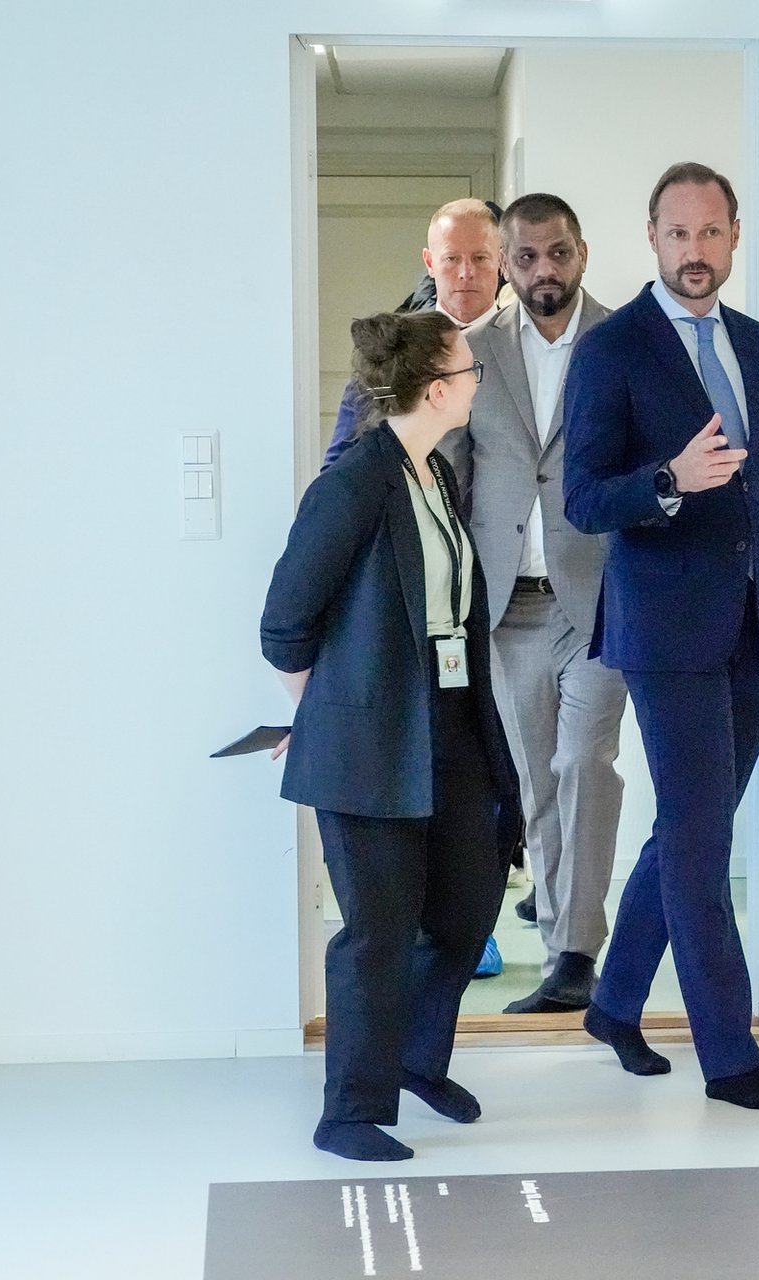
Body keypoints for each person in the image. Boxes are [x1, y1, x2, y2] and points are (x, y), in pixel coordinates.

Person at [562, 162, 759, 1111]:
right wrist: (669, 479)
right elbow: (584, 499)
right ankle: (730, 1056)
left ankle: (614, 1003)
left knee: (688, 827)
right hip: (665, 632)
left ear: (735, 236)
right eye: (678, 234)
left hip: (756, 629)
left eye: (711, 233)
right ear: (652, 238)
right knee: (704, 842)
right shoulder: (612, 350)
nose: (695, 251)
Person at [262, 311, 523, 1161]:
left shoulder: (433, 472)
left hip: (448, 724)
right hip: (368, 744)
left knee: (464, 908)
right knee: (376, 931)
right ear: (437, 390)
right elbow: (283, 625)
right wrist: (325, 710)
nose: (478, 381)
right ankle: (348, 1111)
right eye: (469, 371)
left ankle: (415, 1061)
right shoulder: (352, 484)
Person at [451, 193, 629, 1014]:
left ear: (581, 253)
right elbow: (450, 473)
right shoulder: (471, 350)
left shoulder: (624, 341)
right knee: (538, 782)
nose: (544, 270)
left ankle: (577, 952)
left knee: (584, 763)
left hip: (601, 600)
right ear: (507, 264)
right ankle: (562, 944)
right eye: (526, 257)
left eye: (558, 253)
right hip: (508, 606)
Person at [322, 199, 505, 471]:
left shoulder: (525, 344)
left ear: (501, 260)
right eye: (451, 258)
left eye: (480, 258)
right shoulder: (392, 347)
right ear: (429, 262)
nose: (466, 273)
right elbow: (339, 469)